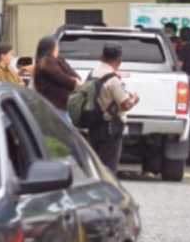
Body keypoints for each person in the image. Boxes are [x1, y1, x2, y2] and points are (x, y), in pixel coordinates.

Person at [88, 43, 141, 172]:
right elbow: (125, 105)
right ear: (119, 60)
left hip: (92, 125)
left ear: (101, 57)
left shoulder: (91, 74)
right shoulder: (113, 80)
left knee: (94, 167)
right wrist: (134, 99)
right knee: (108, 169)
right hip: (109, 128)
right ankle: (106, 191)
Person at [32, 35, 81, 120]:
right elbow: (61, 77)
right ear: (52, 48)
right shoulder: (47, 62)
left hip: (60, 103)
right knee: (64, 128)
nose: (58, 47)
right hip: (56, 103)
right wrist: (74, 81)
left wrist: (76, 79)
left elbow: (70, 72)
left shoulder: (56, 60)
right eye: (56, 45)